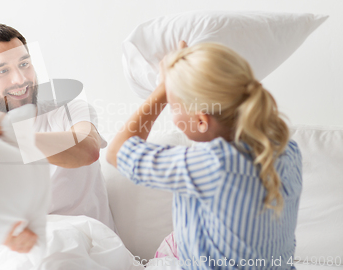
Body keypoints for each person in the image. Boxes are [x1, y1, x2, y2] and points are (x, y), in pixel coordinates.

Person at [106, 41, 302, 269]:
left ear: (201, 120)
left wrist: (162, 89)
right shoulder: (286, 149)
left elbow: (116, 152)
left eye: (173, 106)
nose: (172, 114)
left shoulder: (211, 165)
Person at [0, 24, 115, 253]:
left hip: (86, 245)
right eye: (2, 71)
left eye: (24, 64)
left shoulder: (70, 109)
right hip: (23, 252)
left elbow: (88, 150)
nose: (20, 79)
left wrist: (9, 137)